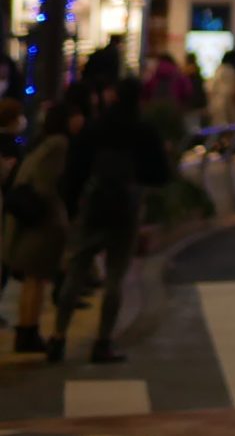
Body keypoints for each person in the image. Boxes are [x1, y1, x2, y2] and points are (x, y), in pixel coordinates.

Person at [53, 79, 167, 364]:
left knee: (76, 270)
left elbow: (74, 170)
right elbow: (160, 173)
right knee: (116, 277)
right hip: (125, 210)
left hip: (93, 207)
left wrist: (71, 205)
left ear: (112, 95)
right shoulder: (144, 130)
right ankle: (103, 342)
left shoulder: (95, 127)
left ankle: (57, 337)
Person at [3, 103, 73, 354]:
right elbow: (45, 186)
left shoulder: (38, 142)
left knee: (31, 281)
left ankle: (26, 331)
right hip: (40, 222)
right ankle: (28, 331)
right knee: (36, 280)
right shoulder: (58, 145)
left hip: (26, 219)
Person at [206, 50, 235, 130]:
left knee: (219, 136)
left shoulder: (217, 71)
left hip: (217, 109)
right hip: (234, 110)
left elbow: (209, 90)